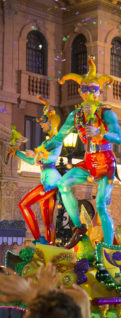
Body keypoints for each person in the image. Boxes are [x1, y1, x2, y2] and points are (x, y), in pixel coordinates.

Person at [41, 56, 121, 248]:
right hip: (87, 161)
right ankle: (78, 227)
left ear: (99, 91)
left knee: (101, 207)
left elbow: (118, 137)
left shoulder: (107, 113)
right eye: (85, 89)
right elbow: (59, 137)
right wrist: (41, 150)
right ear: (80, 92)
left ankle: (108, 250)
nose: (88, 93)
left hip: (104, 162)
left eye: (93, 89)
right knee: (63, 184)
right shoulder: (75, 115)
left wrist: (101, 132)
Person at [16, 97, 62, 245]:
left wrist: (39, 156)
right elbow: (32, 161)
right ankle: (50, 248)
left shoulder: (56, 140)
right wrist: (16, 152)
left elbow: (49, 157)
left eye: (43, 122)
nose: (41, 125)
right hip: (48, 181)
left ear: (50, 122)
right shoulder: (46, 143)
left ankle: (38, 239)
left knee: (24, 204)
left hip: (51, 182)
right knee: (48, 220)